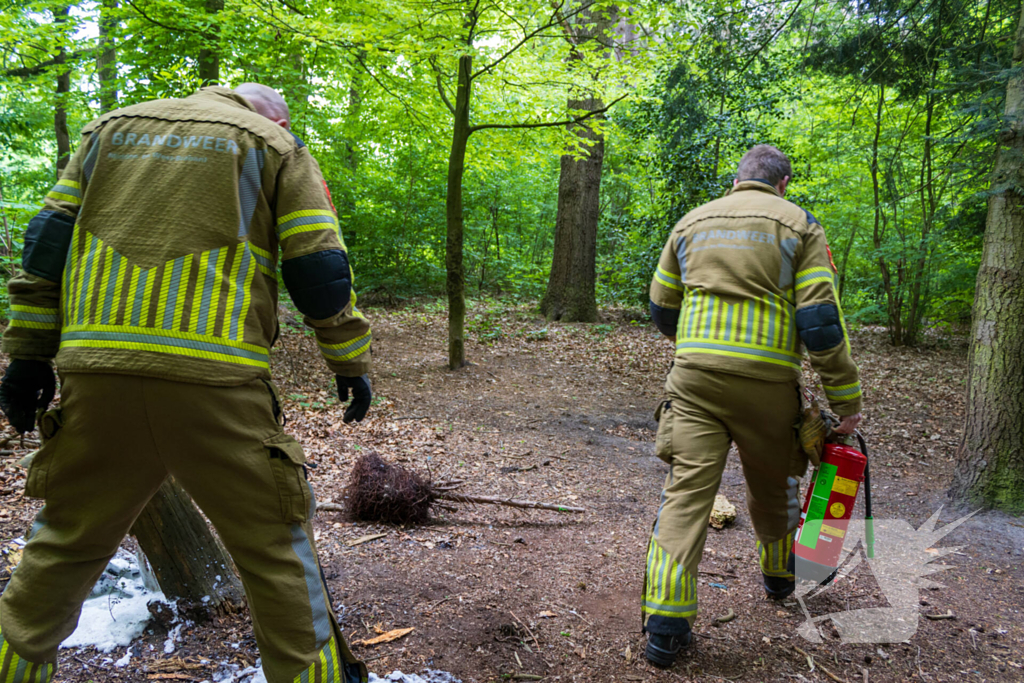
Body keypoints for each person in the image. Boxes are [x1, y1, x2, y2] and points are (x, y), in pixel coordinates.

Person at [0, 83, 372, 683]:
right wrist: (348, 360)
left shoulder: (106, 131)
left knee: (63, 545)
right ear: (270, 113)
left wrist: (26, 356)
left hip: (97, 376)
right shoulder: (274, 144)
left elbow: (45, 248)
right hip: (216, 384)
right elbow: (319, 265)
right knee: (275, 550)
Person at [641, 145, 863, 667]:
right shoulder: (799, 225)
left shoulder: (692, 221)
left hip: (694, 380)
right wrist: (845, 399)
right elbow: (820, 323)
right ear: (783, 182)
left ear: (738, 180)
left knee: (687, 494)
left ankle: (665, 628)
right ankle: (781, 578)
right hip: (766, 383)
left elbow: (660, 306)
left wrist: (700, 346)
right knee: (775, 485)